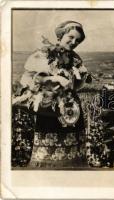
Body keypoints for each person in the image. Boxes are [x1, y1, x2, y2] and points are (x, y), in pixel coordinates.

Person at [13, 21, 91, 168]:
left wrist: (81, 78)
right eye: (71, 37)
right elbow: (29, 79)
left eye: (78, 40)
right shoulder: (44, 54)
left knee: (73, 153)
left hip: (71, 109)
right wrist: (53, 78)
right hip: (50, 107)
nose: (74, 42)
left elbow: (75, 85)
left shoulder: (75, 59)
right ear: (61, 35)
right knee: (49, 152)